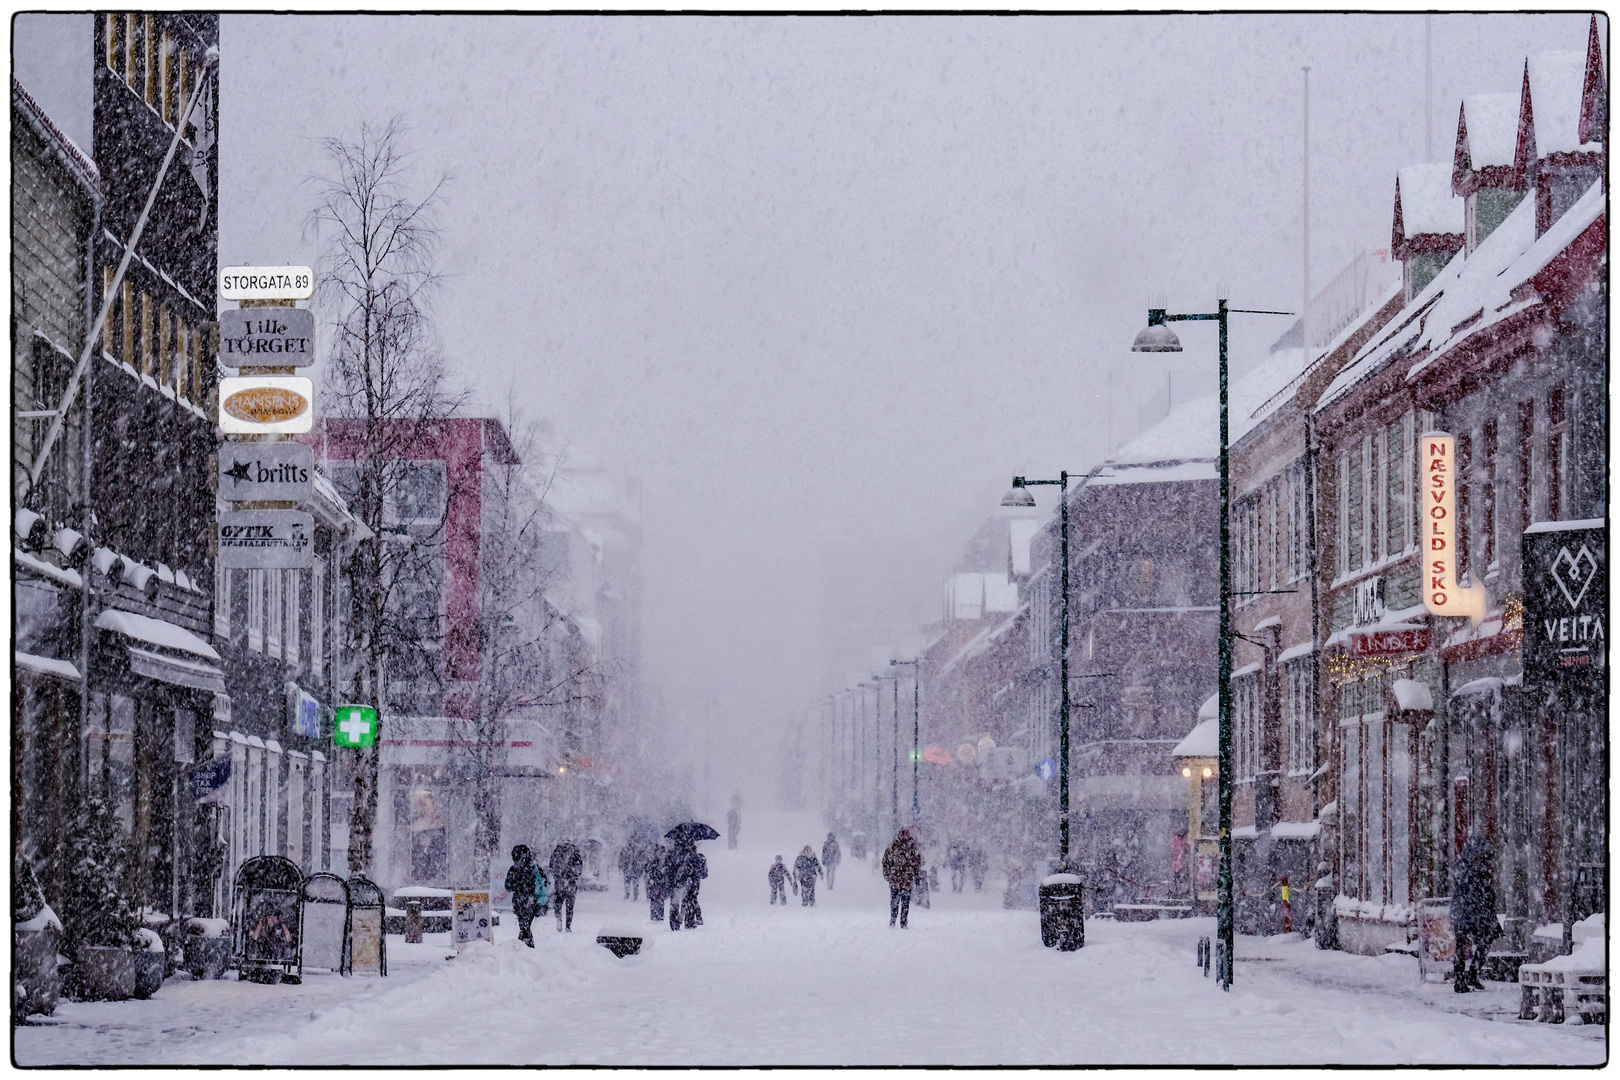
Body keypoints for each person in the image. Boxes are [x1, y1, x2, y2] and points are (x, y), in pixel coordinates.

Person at [1451, 835, 1498, 993]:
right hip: (1467, 912)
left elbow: (1486, 891)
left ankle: (1471, 973)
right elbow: (1471, 888)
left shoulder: (1473, 867)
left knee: (1485, 938)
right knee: (1462, 945)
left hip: (1475, 912)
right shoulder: (1466, 868)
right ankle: (1461, 979)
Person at [883, 828, 923, 928]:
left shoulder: (913, 848)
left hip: (907, 880)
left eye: (906, 833)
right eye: (902, 833)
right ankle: (893, 919)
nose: (904, 836)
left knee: (905, 902)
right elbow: (885, 861)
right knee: (894, 901)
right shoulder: (892, 847)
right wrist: (887, 873)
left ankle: (903, 922)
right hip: (895, 879)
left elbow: (917, 863)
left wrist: (917, 876)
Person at [505, 844, 542, 946]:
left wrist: (518, 886)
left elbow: (508, 886)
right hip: (532, 901)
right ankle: (524, 948)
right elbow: (543, 883)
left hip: (519, 901)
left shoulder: (514, 869)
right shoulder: (534, 868)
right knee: (525, 926)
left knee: (524, 927)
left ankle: (524, 948)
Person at [549, 841, 584, 932]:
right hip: (571, 883)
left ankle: (558, 918)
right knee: (570, 906)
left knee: (558, 902)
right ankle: (568, 926)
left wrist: (557, 877)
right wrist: (573, 877)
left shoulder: (556, 852)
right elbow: (579, 868)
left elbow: (551, 866)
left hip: (559, 882)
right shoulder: (575, 853)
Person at [646, 842, 669, 923]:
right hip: (655, 883)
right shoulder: (654, 861)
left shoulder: (667, 862)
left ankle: (660, 915)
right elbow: (649, 871)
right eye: (659, 852)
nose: (661, 854)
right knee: (655, 899)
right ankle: (654, 915)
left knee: (660, 900)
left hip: (662, 884)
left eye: (662, 852)